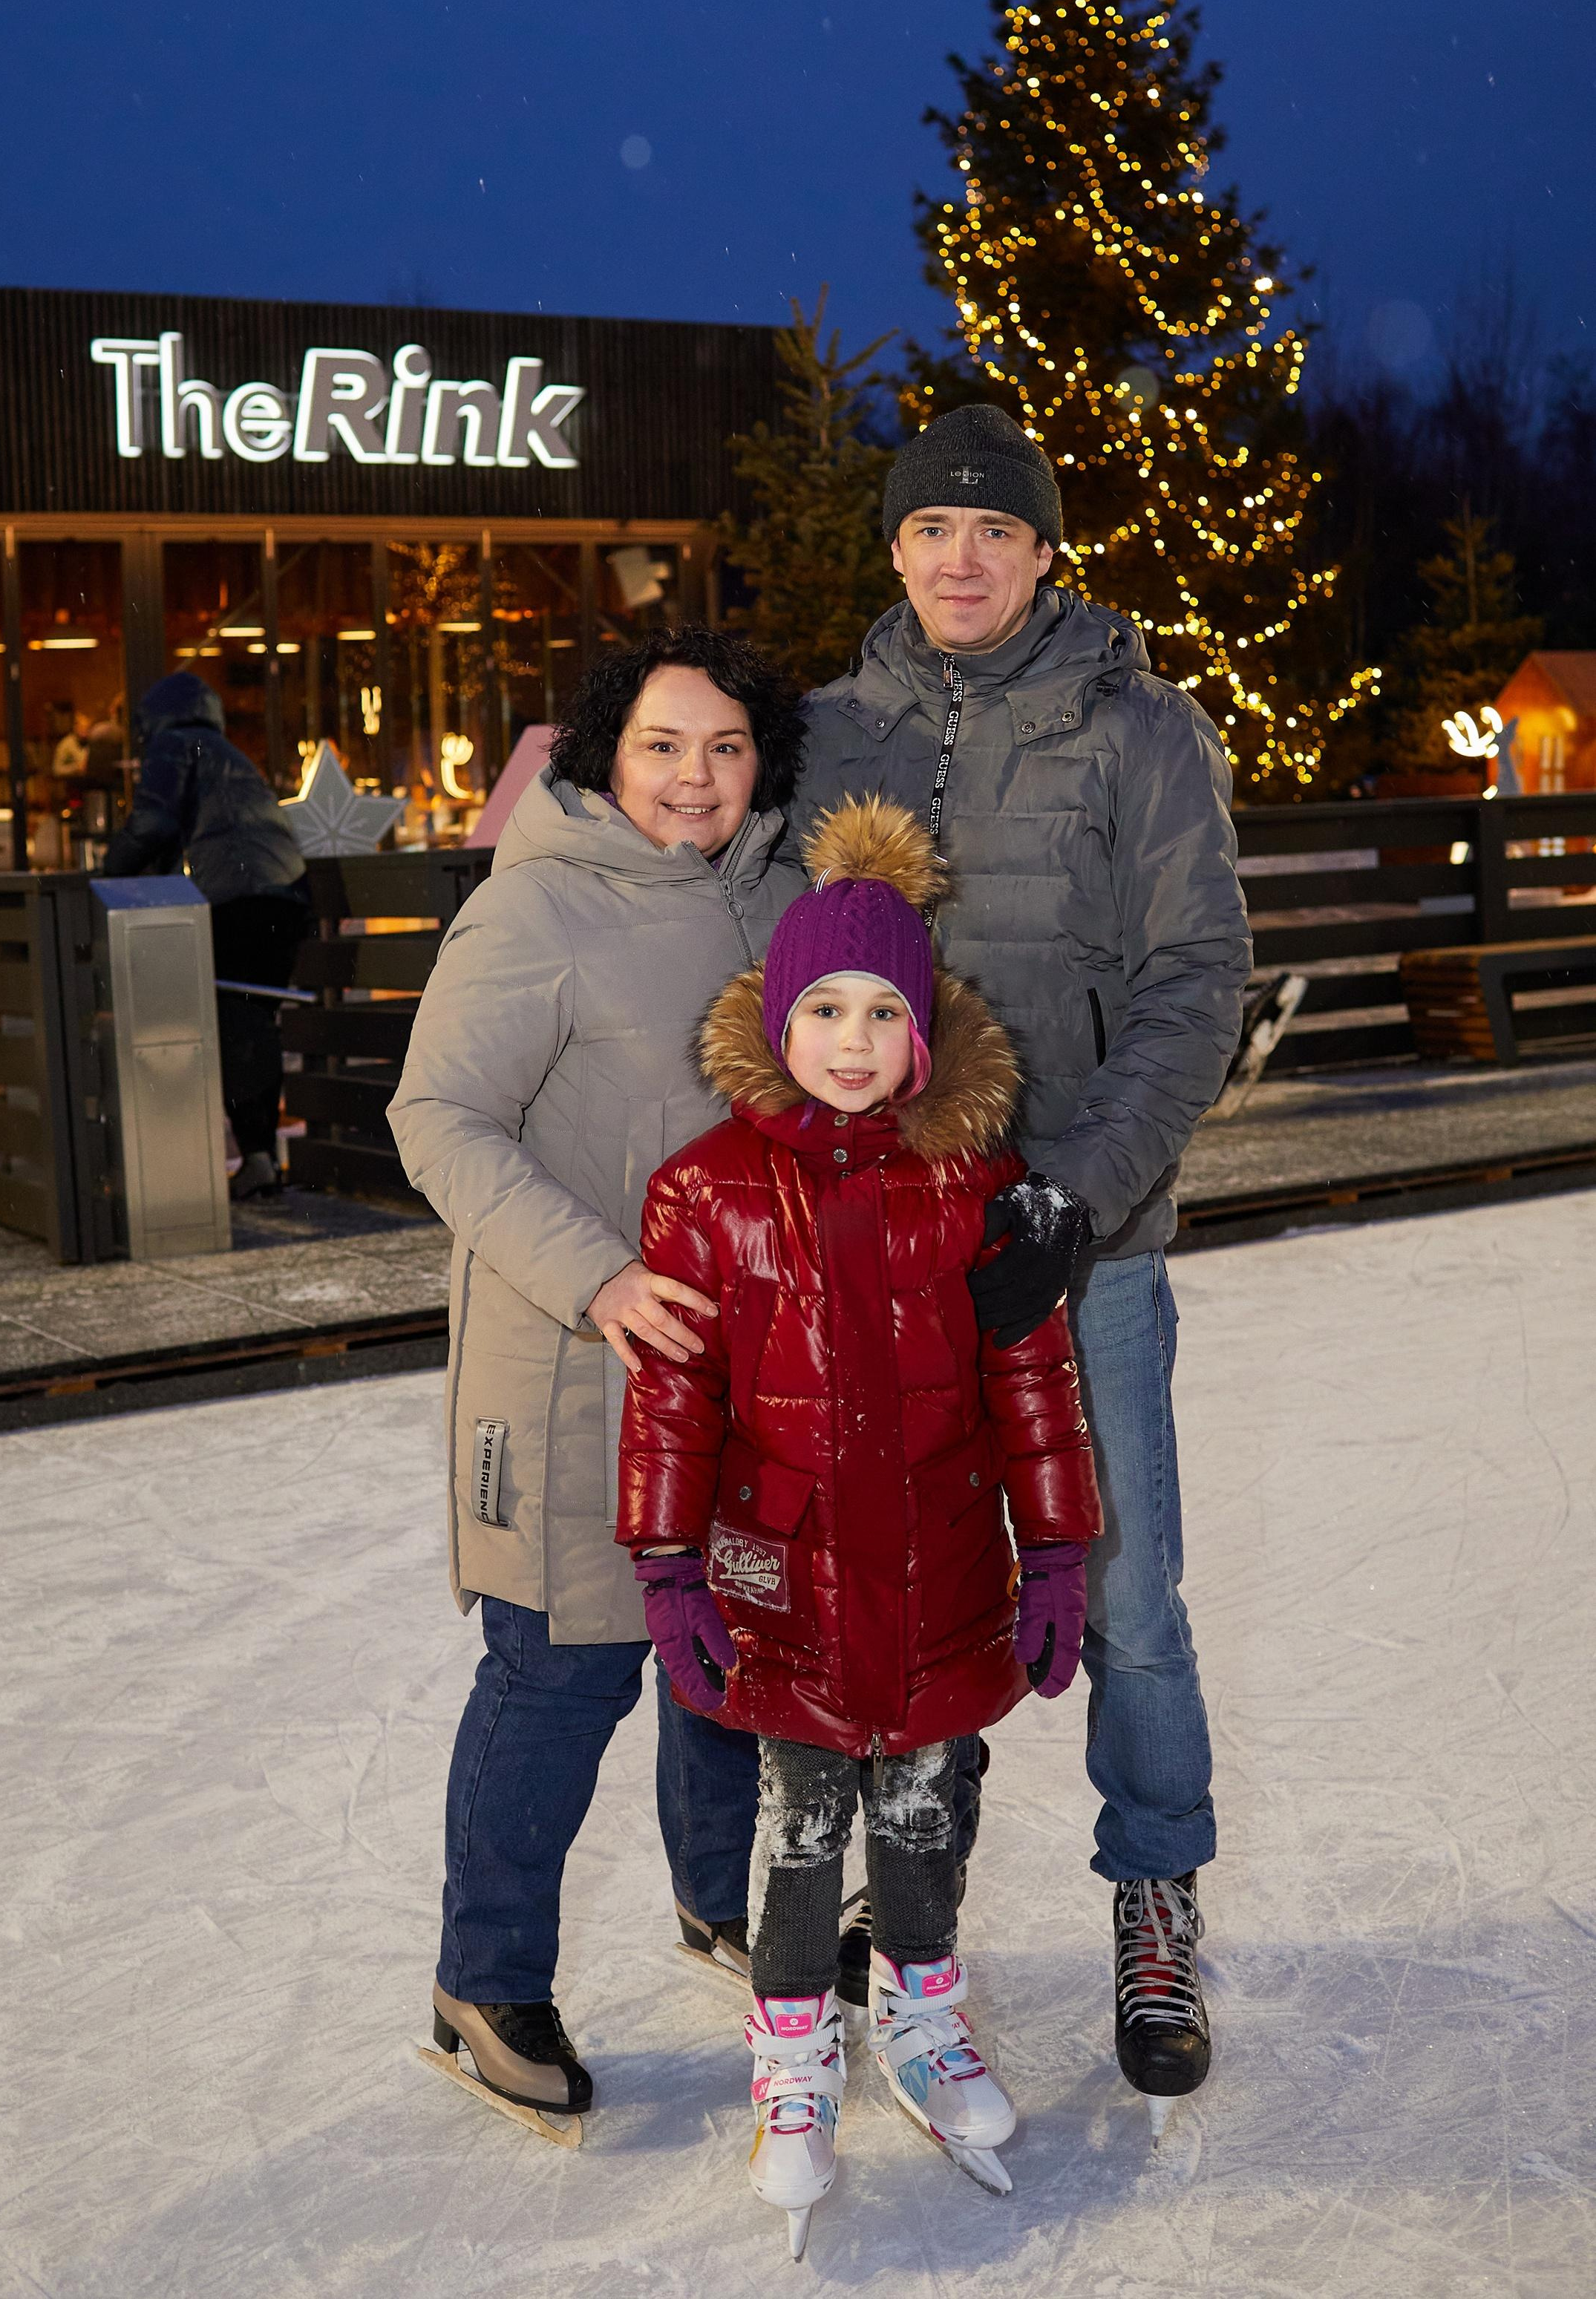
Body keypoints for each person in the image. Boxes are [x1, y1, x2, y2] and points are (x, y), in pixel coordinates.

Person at [792, 402, 1252, 2118]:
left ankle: (1154, 1884)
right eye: (929, 530)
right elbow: (757, 961)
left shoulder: (1138, 729)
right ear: (893, 549)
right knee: (903, 1570)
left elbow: (1193, 981)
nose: (959, 558)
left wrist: (1067, 1190)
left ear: (1044, 551)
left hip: (1085, 1248)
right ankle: (899, 1885)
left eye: (993, 531)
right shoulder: (829, 729)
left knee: (1123, 1588)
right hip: (885, 1248)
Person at [616, 797, 1102, 2250]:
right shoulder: (703, 1195)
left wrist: (1059, 1546)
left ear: (921, 1035)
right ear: (775, 1022)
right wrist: (665, 1565)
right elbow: (671, 1401)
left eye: (879, 1011)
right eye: (821, 1007)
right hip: (785, 1574)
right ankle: (790, 2064)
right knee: (798, 1828)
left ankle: (921, 2025)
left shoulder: (977, 1191)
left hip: (944, 1559)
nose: (848, 1038)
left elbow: (1032, 1382)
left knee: (921, 1814)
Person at [386, 626, 809, 2131]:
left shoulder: (776, 897)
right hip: (568, 1364)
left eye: (724, 748)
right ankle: (480, 1978)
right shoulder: (536, 907)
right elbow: (436, 1118)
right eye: (660, 745)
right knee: (562, 1671)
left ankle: (716, 1902)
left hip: (736, 1362)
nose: (693, 779)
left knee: (725, 1658)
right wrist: (600, 1276)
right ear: (598, 752)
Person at [102, 671, 309, 1200]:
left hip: (238, 895)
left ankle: (248, 1157)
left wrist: (107, 874)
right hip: (283, 892)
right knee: (250, 1018)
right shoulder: (227, 752)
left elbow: (154, 823)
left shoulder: (176, 744)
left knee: (230, 1020)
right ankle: (259, 1155)